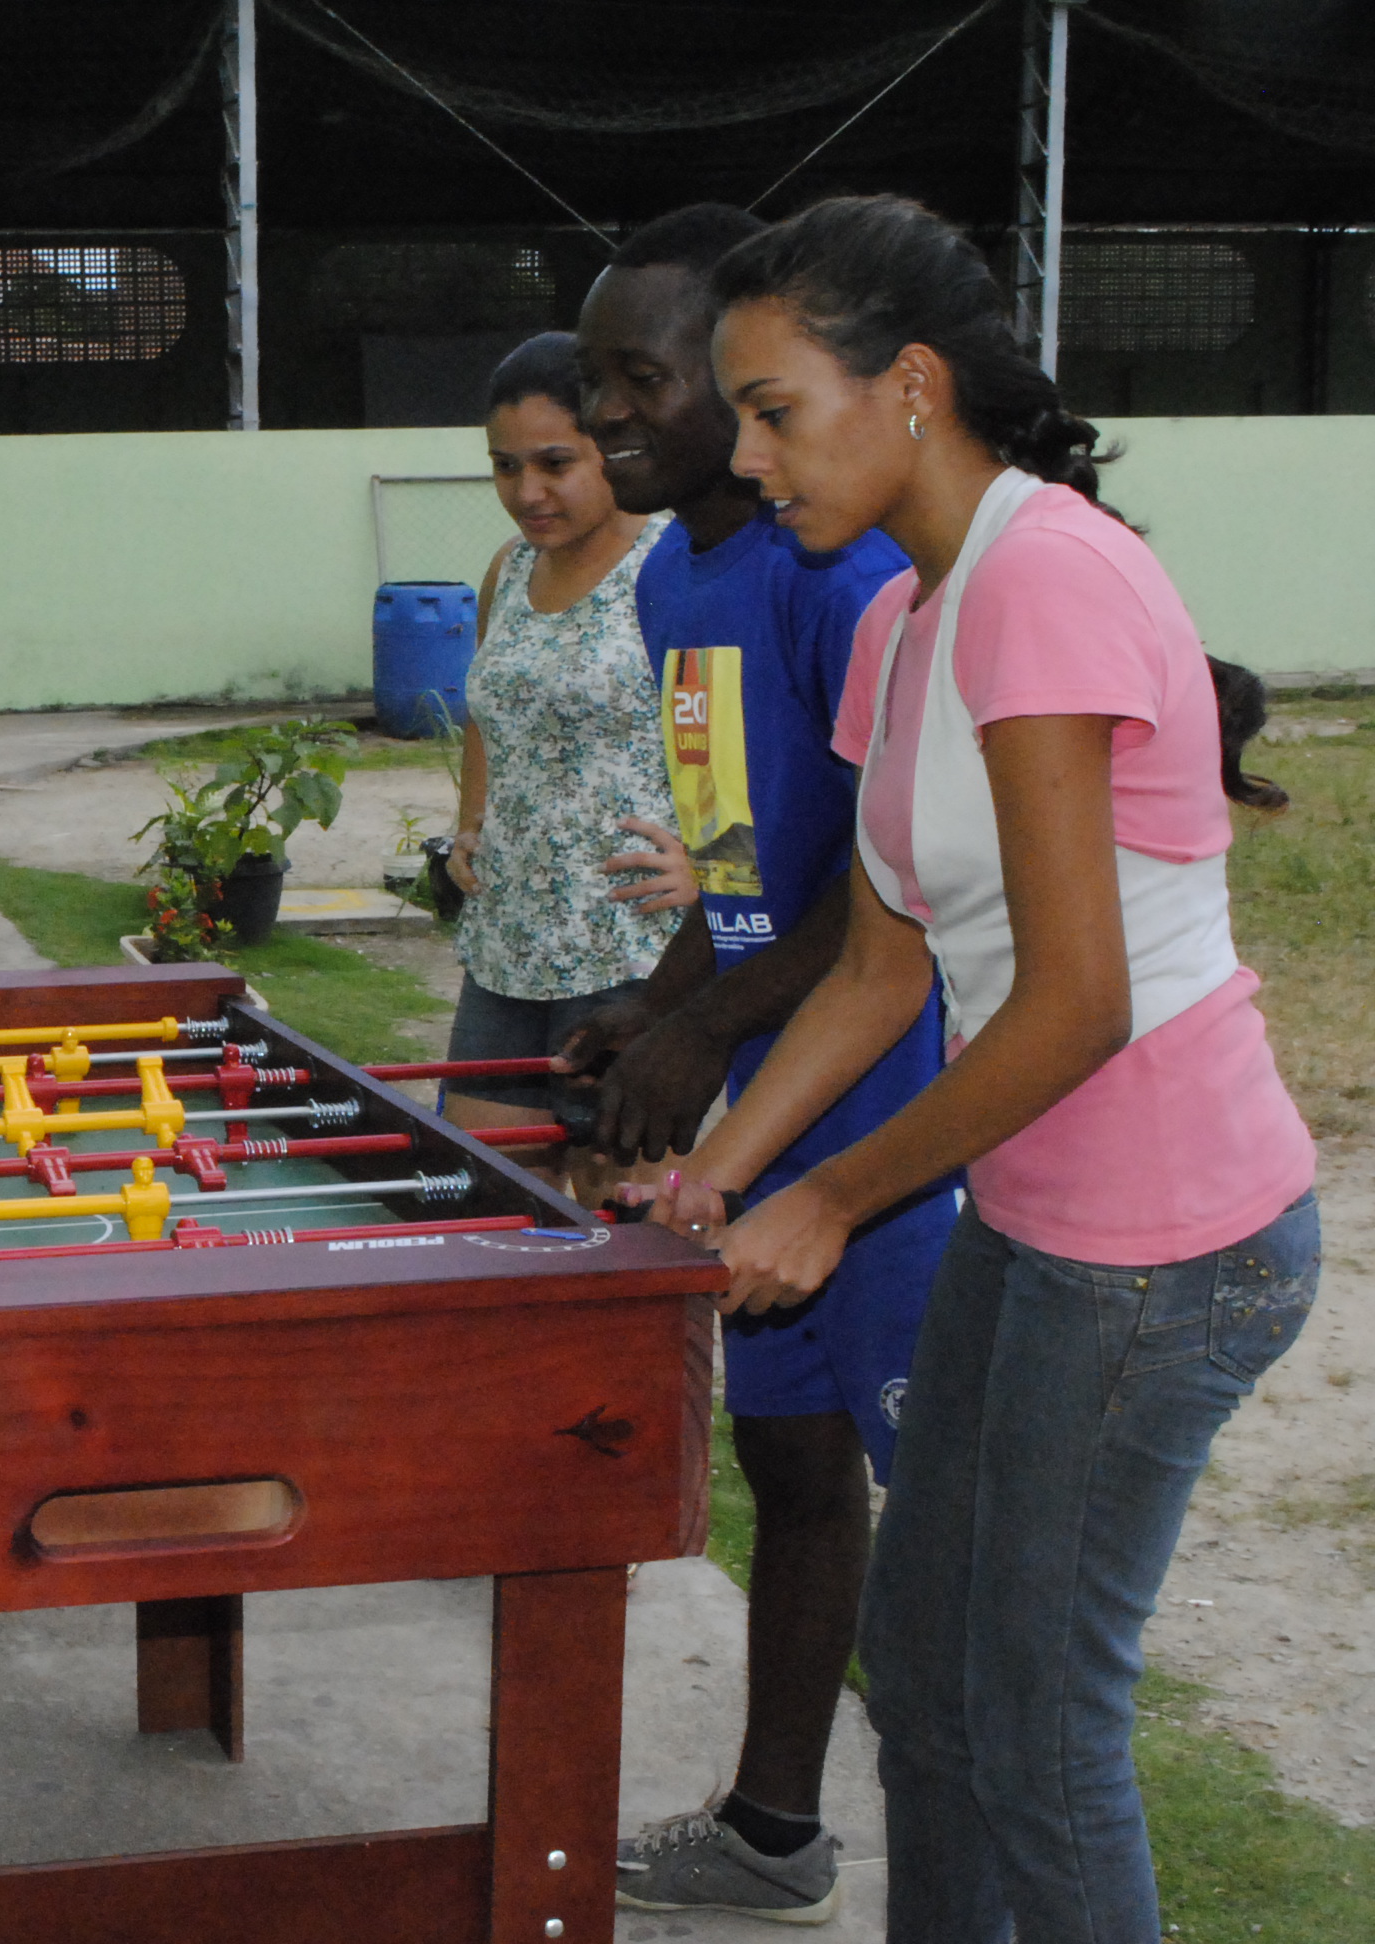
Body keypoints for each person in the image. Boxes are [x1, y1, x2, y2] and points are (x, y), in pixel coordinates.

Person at [654, 194, 1316, 1944]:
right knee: (926, 1670)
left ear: (913, 383)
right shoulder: (904, 619)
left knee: (1036, 1721)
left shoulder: (1045, 578)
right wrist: (726, 1166)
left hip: (1174, 1243)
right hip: (1038, 1223)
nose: (746, 455)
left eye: (774, 409)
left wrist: (825, 1199)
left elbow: (1078, 1001)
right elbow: (885, 968)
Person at [564, 204, 955, 1924]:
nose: (607, 413)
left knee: (937, 1513)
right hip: (772, 1099)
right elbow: (733, 849)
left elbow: (890, 905)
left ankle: (983, 1858)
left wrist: (710, 1029)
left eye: (641, 378)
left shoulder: (844, 581)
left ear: (739, 385)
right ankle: (777, 1829)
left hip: (891, 1117)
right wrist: (660, 1000)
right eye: (597, 378)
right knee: (788, 1468)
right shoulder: (672, 576)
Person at [438, 330, 684, 1197]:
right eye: (506, 467)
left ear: (612, 444)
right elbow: (489, 706)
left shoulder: (674, 566)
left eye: (555, 463)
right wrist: (472, 822)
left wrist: (720, 868)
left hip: (633, 947)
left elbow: (738, 733)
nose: (527, 493)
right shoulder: (508, 571)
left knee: (629, 1219)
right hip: (507, 947)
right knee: (489, 1201)